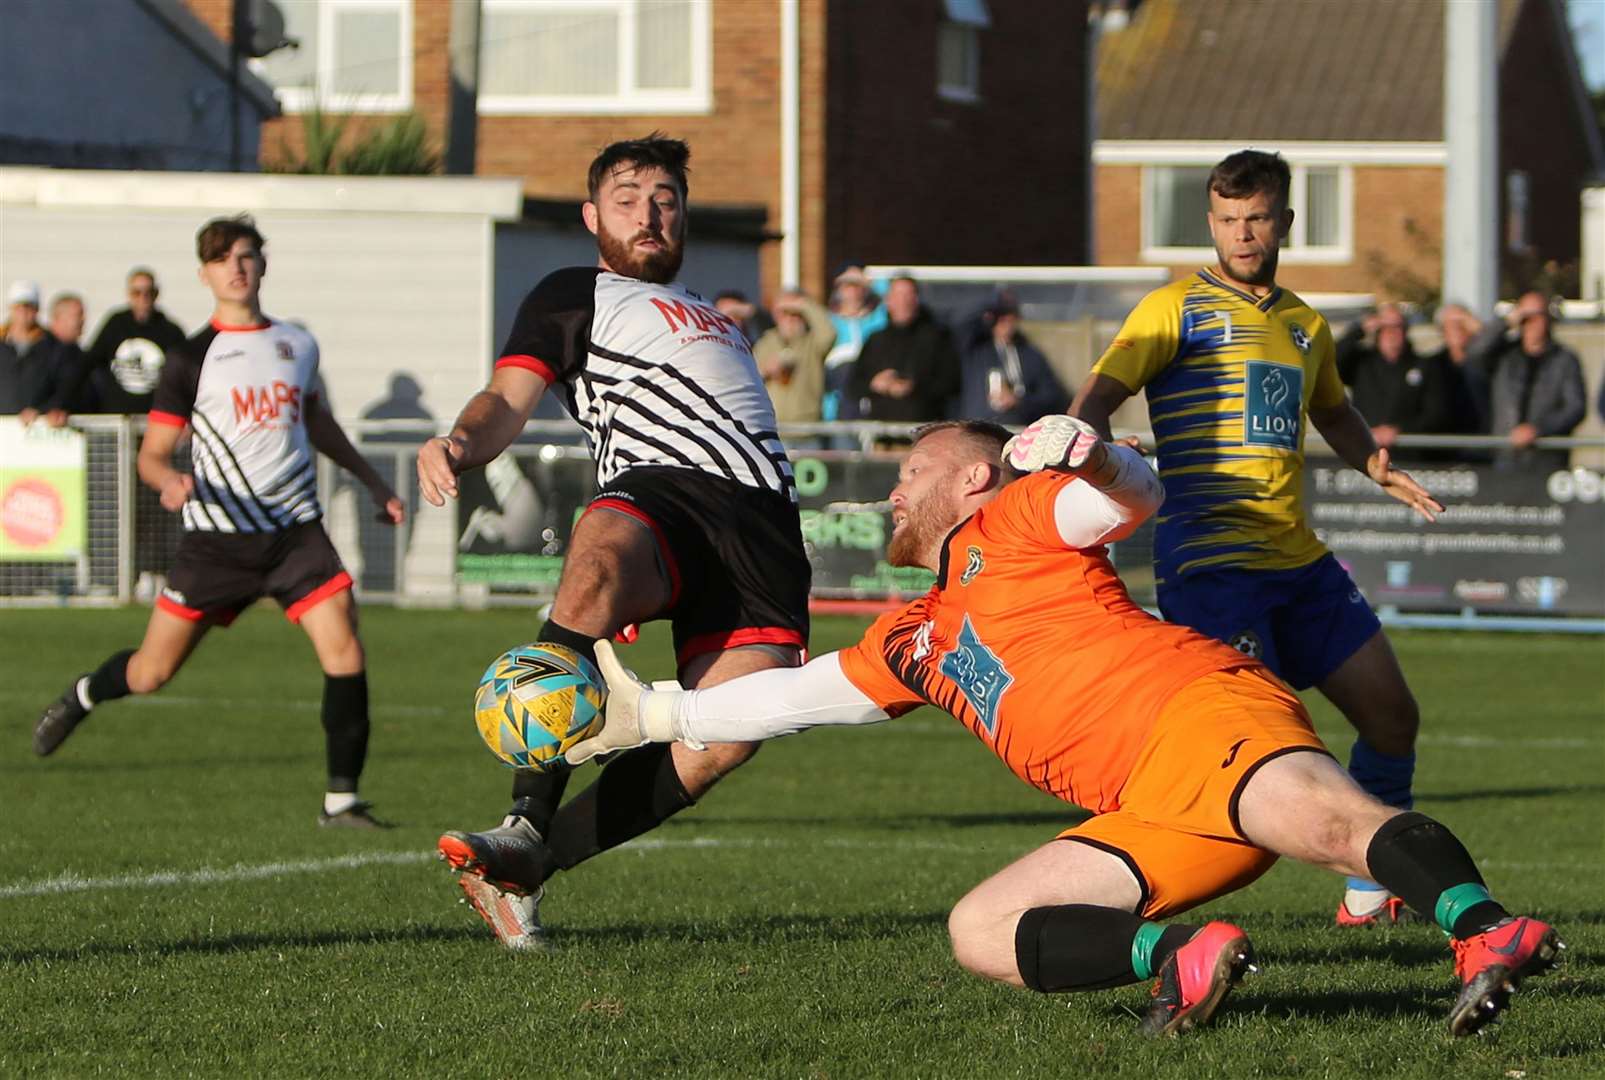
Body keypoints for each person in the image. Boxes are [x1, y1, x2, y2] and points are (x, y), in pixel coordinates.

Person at [564, 418, 1563, 1038]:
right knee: (981, 930)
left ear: (973, 481)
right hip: (1144, 802)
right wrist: (655, 711)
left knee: (1337, 823)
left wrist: (1099, 453)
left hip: (1194, 716)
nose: (891, 490)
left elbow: (1132, 499)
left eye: (912, 469)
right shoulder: (911, 634)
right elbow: (794, 695)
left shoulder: (1023, 514)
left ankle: (1487, 933)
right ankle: (1181, 959)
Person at [415, 134, 811, 950]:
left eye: (665, 198)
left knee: (726, 737)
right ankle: (523, 820)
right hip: (659, 494)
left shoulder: (723, 317)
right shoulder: (573, 292)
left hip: (765, 528)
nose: (649, 213)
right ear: (594, 216)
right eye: (628, 198)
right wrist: (458, 443)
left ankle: (527, 867)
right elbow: (507, 396)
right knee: (598, 550)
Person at [1067, 150, 1445, 927]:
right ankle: (1120, 890)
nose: (1242, 233)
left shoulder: (1305, 324)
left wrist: (1377, 466)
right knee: (1242, 758)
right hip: (1210, 564)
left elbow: (1332, 411)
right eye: (1228, 220)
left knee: (1391, 716)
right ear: (1210, 222)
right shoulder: (1172, 309)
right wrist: (1091, 454)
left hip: (1297, 561)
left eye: (1256, 218)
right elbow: (1098, 395)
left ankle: (1371, 897)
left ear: (1284, 223)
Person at [32, 215, 405, 830]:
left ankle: (341, 801)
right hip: (216, 542)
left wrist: (374, 482)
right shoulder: (189, 359)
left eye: (247, 255)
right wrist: (169, 479)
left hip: (294, 532)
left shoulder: (298, 345)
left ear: (263, 264)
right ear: (204, 273)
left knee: (345, 649)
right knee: (152, 674)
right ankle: (84, 694)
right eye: (223, 258)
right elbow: (152, 453)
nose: (237, 266)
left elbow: (318, 423)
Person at [1462, 291, 1587, 473]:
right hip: (1506, 455)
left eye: (1538, 316)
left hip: (1547, 458)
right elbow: (1474, 353)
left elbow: (1575, 407)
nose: (1533, 323)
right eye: (1526, 317)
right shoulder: (1505, 356)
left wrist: (1539, 429)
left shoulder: (1564, 360)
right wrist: (1505, 323)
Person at [1334, 303, 1457, 456]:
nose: (1392, 333)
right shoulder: (1361, 364)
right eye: (1386, 327)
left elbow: (1437, 414)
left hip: (1411, 457)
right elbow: (1330, 363)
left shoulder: (1425, 366)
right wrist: (1359, 329)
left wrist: (1399, 431)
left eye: (1397, 327)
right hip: (1365, 454)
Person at [849, 275, 961, 425]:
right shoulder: (875, 340)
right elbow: (853, 386)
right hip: (882, 436)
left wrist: (913, 387)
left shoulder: (936, 338)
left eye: (908, 295)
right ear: (888, 301)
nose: (903, 302)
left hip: (924, 433)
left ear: (916, 300)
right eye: (898, 295)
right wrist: (875, 384)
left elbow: (952, 383)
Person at [83, 267, 188, 415]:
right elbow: (91, 362)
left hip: (156, 418)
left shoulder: (171, 331)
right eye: (136, 293)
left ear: (156, 294)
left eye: (148, 292)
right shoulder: (116, 324)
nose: (142, 298)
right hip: (118, 417)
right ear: (128, 295)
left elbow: (183, 376)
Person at [954, 292, 1068, 424]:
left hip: (1017, 426)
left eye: (1011, 320)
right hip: (980, 425)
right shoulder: (976, 351)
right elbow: (959, 323)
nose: (1007, 325)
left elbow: (1051, 396)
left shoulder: (1029, 354)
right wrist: (990, 306)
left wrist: (1020, 401)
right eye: (1001, 319)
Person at [752, 287, 835, 424]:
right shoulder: (766, 342)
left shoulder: (813, 343)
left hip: (807, 426)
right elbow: (749, 377)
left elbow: (829, 333)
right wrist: (766, 370)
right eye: (784, 313)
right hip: (775, 426)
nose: (790, 319)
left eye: (795, 314)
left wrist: (804, 304)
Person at [823, 263, 888, 424]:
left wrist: (870, 281)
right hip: (836, 408)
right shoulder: (829, 322)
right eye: (847, 286)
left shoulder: (876, 320)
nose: (853, 292)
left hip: (869, 405)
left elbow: (891, 299)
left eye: (858, 286)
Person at [1, 281, 74, 420]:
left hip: (38, 432)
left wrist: (43, 411)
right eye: (18, 307)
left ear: (37, 310)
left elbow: (64, 389)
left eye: (28, 306)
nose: (23, 312)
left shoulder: (54, 347)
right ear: (10, 309)